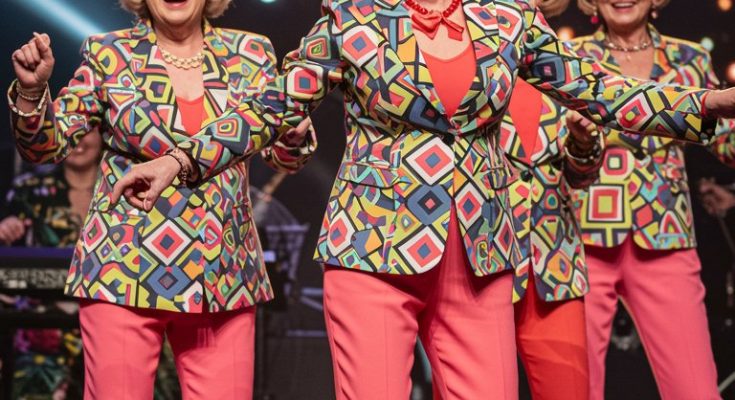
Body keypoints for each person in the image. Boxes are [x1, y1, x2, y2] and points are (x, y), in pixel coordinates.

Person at [111, 0, 735, 398]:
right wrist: (179, 159)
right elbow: (268, 106)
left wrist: (705, 103)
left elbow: (603, 90)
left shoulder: (508, 18)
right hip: (372, 250)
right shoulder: (353, 18)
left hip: (479, 257)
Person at [7, 0, 313, 398]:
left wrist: (292, 138)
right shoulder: (108, 53)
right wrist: (31, 93)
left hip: (223, 273)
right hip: (123, 270)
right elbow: (46, 146)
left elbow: (283, 157)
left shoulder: (251, 53)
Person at [569, 0, 735, 398]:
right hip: (582, 241)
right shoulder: (570, 59)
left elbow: (725, 142)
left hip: (665, 236)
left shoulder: (689, 59)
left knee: (695, 390)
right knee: (574, 389)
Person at [501, 1, 603, 398]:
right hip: (484, 263)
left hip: (555, 266)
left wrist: (583, 144)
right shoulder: (467, 59)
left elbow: (582, 176)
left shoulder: (573, 67)